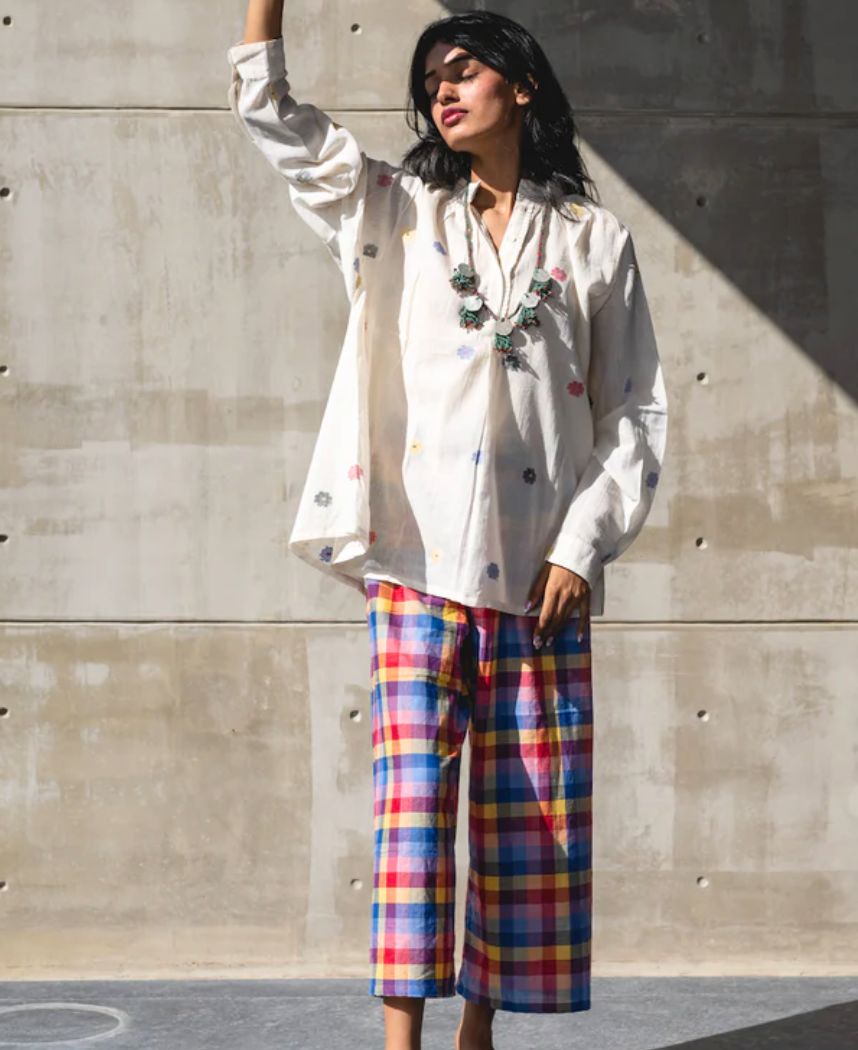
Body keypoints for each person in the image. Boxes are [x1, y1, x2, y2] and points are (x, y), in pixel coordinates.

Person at [227, 5, 668, 1049]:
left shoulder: (594, 238)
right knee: (413, 822)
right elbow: (275, 115)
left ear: (522, 85)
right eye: (432, 80)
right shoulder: (395, 205)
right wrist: (264, 13)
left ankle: (478, 1032)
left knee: (528, 821)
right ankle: (401, 1045)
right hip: (416, 564)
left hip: (539, 576)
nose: (442, 90)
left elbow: (633, 414)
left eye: (464, 71)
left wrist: (581, 548)